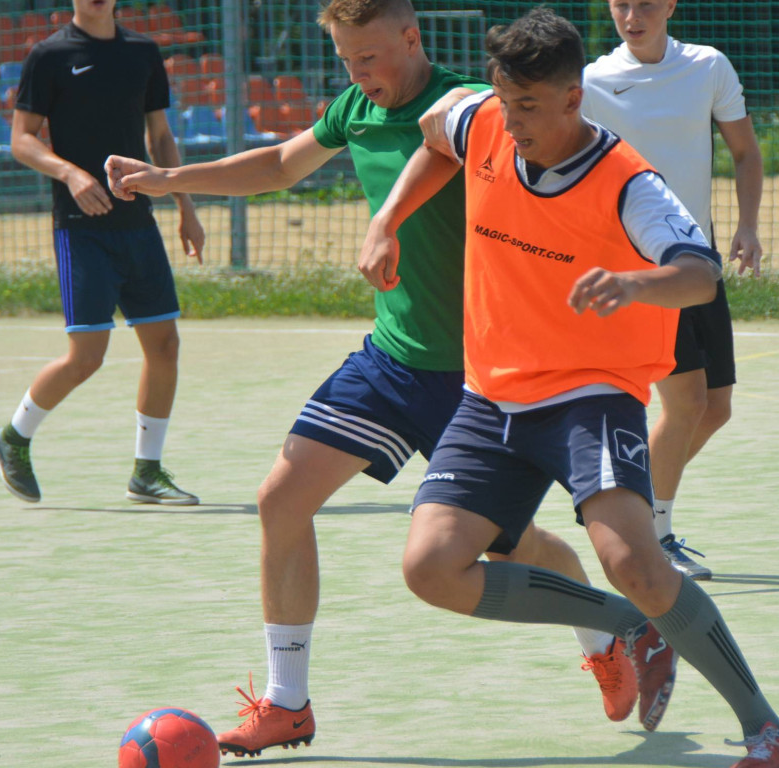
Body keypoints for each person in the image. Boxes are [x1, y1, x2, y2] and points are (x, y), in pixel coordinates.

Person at [105, 0, 647, 755]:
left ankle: (602, 632)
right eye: (345, 60)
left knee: (514, 549)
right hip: (393, 360)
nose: (356, 74)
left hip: (483, 377)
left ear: (412, 37)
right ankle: (287, 702)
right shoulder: (355, 109)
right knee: (280, 498)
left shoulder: (471, 108)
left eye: (368, 58)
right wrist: (168, 178)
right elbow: (279, 165)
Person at [361, 9, 779, 767]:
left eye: (529, 106)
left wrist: (637, 282)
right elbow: (440, 138)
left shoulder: (628, 181)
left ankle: (768, 726)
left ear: (574, 99)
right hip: (492, 394)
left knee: (634, 560)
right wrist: (388, 219)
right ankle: (631, 626)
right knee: (430, 568)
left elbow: (700, 275)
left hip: (589, 394)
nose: (512, 120)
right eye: (505, 101)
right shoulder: (485, 122)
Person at [0, 0, 204, 506]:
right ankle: (12, 438)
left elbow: (161, 136)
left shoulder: (143, 52)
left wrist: (184, 206)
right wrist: (70, 173)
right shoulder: (49, 55)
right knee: (87, 355)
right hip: (81, 228)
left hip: (138, 224)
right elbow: (22, 139)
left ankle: (146, 473)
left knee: (164, 345)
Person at [581, 0, 766, 580]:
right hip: (642, 270)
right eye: (619, 4)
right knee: (684, 403)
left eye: (643, 4)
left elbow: (744, 151)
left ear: (669, 6)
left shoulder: (708, 66)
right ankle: (651, 537)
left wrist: (748, 226)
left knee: (716, 407)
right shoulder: (591, 82)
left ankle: (628, 510)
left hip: (700, 261)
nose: (631, 15)